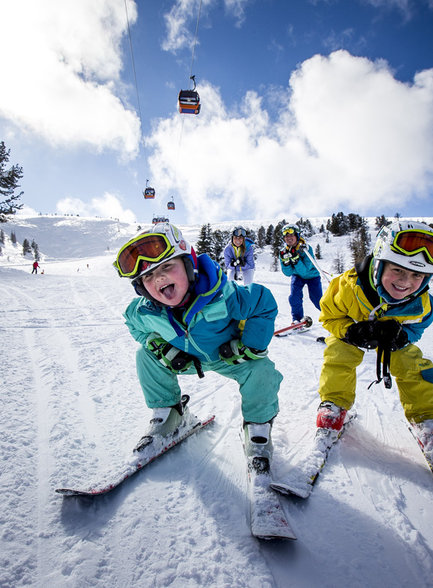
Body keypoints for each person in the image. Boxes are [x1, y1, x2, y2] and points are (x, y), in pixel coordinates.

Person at [113, 222, 282, 464]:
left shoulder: (224, 295)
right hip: (187, 361)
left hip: (230, 358)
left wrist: (250, 346)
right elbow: (135, 326)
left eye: (167, 266)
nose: (158, 277)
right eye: (148, 276)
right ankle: (170, 414)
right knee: (145, 355)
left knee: (262, 370)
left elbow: (263, 302)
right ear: (141, 287)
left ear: (189, 264)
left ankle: (257, 428)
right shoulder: (144, 312)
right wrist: (160, 347)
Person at [316, 220, 433, 463]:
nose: (406, 282)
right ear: (379, 265)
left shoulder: (422, 303)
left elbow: (418, 325)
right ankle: (333, 406)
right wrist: (350, 331)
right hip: (354, 332)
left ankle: (427, 417)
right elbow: (329, 317)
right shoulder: (346, 287)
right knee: (338, 353)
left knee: (412, 361)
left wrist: (404, 337)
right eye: (398, 270)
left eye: (417, 275)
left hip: (391, 340)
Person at [279, 224, 323, 324]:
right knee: (294, 297)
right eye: (286, 236)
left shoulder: (306, 248)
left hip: (312, 276)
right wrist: (286, 263)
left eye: (291, 235)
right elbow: (288, 273)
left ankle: (331, 317)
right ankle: (297, 320)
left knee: (317, 299)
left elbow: (305, 271)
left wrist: (295, 260)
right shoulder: (284, 252)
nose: (288, 238)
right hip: (297, 276)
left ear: (297, 236)